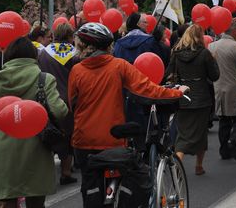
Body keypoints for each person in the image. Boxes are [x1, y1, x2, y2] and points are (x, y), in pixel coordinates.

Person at [67, 23, 187, 202]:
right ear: (108, 46)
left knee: (91, 188)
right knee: (129, 177)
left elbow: (72, 105)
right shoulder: (119, 66)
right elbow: (146, 89)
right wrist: (177, 92)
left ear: (82, 46)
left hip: (83, 142)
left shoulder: (76, 71)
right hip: (112, 140)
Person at [0, 37, 69, 208]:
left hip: (2, 151)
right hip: (36, 149)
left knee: (6, 200)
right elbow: (59, 111)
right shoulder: (44, 79)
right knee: (35, 201)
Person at [166, 24, 220, 175]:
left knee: (183, 134)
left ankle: (180, 163)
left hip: (183, 97)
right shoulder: (204, 54)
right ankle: (198, 165)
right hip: (202, 98)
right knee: (201, 133)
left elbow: (168, 73)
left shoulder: (176, 53)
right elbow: (215, 76)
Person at [37, 22, 80, 185]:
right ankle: (66, 172)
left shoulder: (43, 54)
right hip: (69, 100)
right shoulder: (75, 54)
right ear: (69, 36)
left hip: (47, 98)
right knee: (68, 136)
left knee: (48, 134)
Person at [209, 18, 236, 161]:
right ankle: (234, 140)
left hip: (218, 87)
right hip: (235, 87)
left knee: (224, 119)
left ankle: (224, 150)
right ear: (235, 30)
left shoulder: (212, 46)